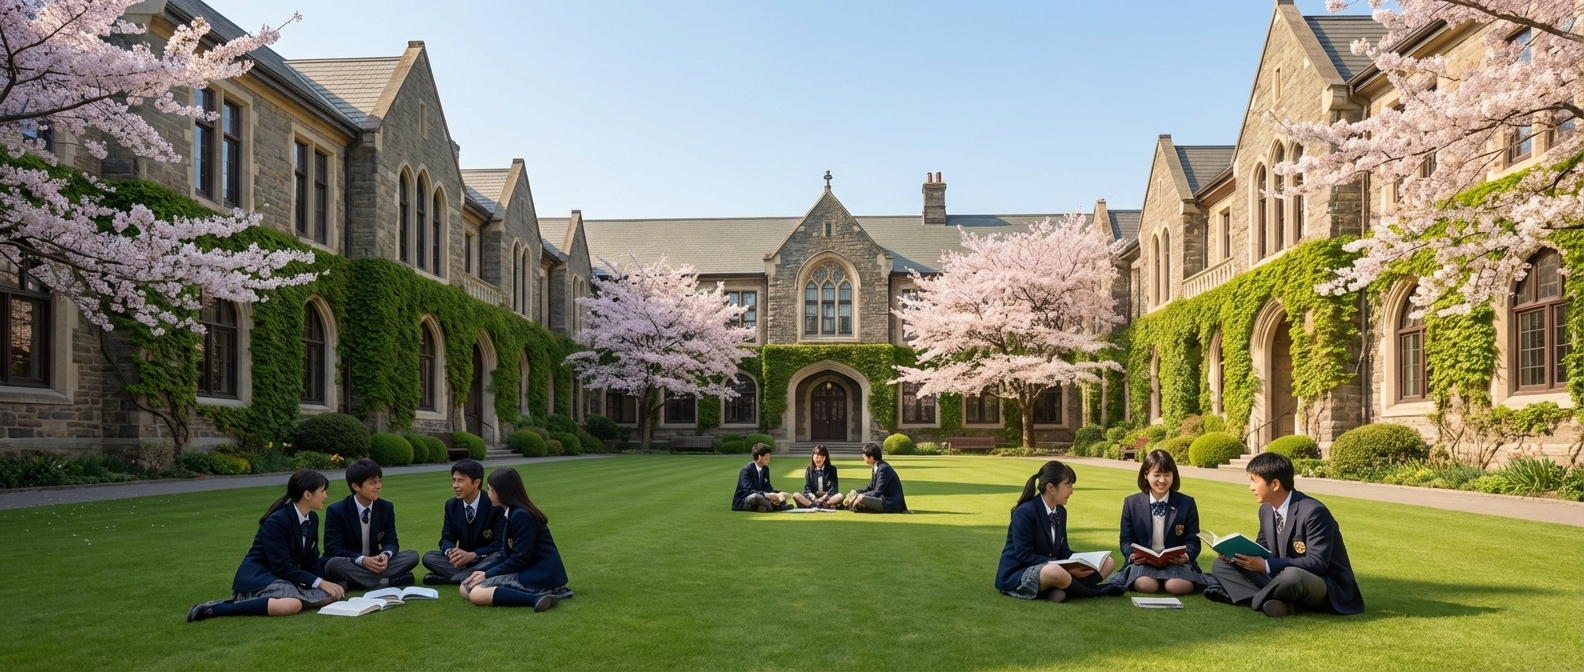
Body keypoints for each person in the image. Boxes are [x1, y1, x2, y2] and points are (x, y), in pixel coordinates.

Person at [1208, 452, 1364, 617]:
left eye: (1255, 481)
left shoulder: (1313, 512)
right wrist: (1235, 555)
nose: (1251, 487)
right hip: (1279, 578)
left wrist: (1266, 566)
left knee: (1292, 576)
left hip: (1322, 583)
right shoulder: (1266, 510)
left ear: (1275, 484)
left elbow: (1318, 563)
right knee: (1221, 566)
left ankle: (1253, 600)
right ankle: (1274, 603)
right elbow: (1262, 549)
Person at [187, 470, 344, 621]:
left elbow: (312, 557)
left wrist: (323, 582)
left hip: (283, 577)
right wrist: (320, 583)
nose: (326, 496)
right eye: (323, 491)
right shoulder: (278, 521)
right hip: (260, 578)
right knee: (292, 605)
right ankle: (216, 608)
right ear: (307, 494)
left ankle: (302, 597)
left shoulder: (312, 518)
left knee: (330, 594)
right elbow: (281, 566)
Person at [994, 460, 1116, 602]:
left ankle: (1061, 590)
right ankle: (1090, 592)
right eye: (1068, 485)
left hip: (1052, 568)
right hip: (1018, 573)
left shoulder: (1060, 511)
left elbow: (1063, 551)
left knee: (1108, 562)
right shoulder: (1025, 512)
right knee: (1054, 571)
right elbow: (1024, 556)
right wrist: (1064, 567)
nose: (1071, 491)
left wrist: (1083, 562)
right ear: (1051, 487)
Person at [460, 467, 573, 611]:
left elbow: (520, 558)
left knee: (476, 594)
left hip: (539, 575)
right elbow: (505, 553)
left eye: (489, 489)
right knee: (465, 587)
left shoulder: (522, 515)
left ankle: (540, 597)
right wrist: (483, 572)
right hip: (527, 570)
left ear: (501, 491)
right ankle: (543, 594)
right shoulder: (512, 513)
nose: (487, 494)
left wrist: (487, 574)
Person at [1105, 450, 1214, 595]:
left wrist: (1186, 556)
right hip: (1144, 563)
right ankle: (1154, 580)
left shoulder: (1186, 503)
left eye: (1167, 475)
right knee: (1146, 585)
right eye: (1157, 475)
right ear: (1146, 475)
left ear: (1173, 476)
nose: (1162, 480)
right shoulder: (1131, 503)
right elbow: (1126, 540)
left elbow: (1193, 541)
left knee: (1177, 587)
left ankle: (1170, 580)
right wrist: (1131, 555)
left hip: (1176, 564)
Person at [321, 458, 420, 589]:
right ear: (355, 486)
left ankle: (357, 582)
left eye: (379, 481)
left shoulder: (386, 507)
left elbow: (391, 541)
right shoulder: (337, 510)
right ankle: (386, 581)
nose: (378, 486)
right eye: (373, 483)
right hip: (351, 562)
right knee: (333, 564)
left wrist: (385, 555)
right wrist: (362, 560)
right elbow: (334, 549)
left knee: (412, 556)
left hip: (375, 563)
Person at [422, 459, 506, 585]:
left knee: (501, 557)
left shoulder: (494, 505)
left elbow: (499, 543)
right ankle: (472, 577)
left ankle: (454, 578)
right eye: (454, 480)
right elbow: (446, 537)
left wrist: (473, 555)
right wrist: (451, 552)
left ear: (476, 482)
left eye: (460, 480)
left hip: (485, 558)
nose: (455, 485)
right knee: (429, 557)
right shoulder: (451, 505)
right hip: (461, 562)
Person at [844, 442, 907, 513]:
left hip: (890, 503)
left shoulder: (883, 469)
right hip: (883, 500)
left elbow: (877, 492)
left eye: (864, 455)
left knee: (862, 498)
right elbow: (870, 488)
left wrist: (861, 495)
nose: (863, 457)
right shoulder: (877, 467)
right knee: (851, 496)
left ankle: (859, 505)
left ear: (871, 457)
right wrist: (856, 492)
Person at [731, 443, 792, 512]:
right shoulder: (746, 470)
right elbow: (749, 490)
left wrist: (778, 494)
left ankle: (767, 507)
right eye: (767, 455)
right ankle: (773, 506)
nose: (769, 458)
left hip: (762, 496)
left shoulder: (765, 469)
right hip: (745, 499)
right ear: (759, 457)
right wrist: (766, 495)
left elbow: (768, 488)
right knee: (755, 497)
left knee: (777, 495)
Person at [792, 444, 842, 509]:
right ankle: (813, 505)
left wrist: (823, 498)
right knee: (796, 495)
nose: (817, 460)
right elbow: (807, 488)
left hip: (827, 497)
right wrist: (813, 497)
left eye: (819, 457)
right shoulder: (809, 469)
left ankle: (825, 505)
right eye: (815, 458)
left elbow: (834, 488)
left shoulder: (832, 469)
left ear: (825, 457)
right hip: (813, 498)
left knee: (840, 496)